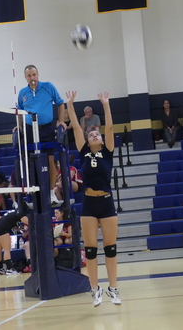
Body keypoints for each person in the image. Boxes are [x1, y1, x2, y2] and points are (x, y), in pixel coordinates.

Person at [66, 90, 121, 307]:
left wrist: (105, 105)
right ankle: (94, 289)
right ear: (88, 141)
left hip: (106, 202)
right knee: (90, 250)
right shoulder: (83, 152)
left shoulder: (108, 151)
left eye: (96, 134)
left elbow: (108, 127)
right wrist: (70, 104)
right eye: (92, 135)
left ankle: (113, 289)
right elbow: (77, 127)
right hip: (89, 204)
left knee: (111, 248)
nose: (95, 135)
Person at [14, 64, 66, 204]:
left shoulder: (48, 87)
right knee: (32, 162)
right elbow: (19, 111)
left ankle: (51, 193)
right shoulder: (23, 93)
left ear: (38, 75)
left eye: (34, 75)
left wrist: (60, 121)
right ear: (25, 77)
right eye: (29, 75)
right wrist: (19, 126)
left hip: (47, 128)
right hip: (30, 129)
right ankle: (33, 193)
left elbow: (60, 103)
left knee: (50, 161)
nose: (32, 78)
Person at [0, 203, 29, 275]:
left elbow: (9, 222)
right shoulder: (20, 213)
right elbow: (29, 222)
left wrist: (19, 228)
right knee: (7, 249)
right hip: (3, 229)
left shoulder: (14, 212)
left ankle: (0, 268)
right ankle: (9, 269)